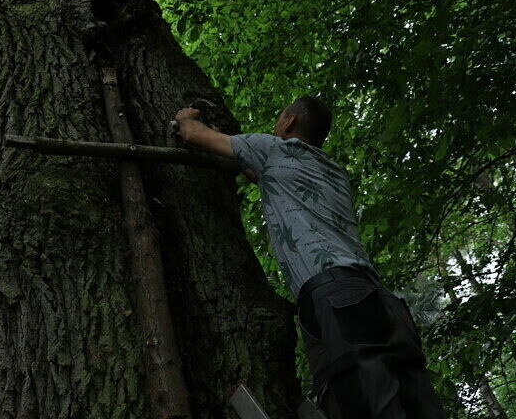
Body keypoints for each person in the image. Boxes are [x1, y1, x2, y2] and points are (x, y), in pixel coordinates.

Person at [175, 97, 447, 419]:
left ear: (289, 122)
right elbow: (260, 174)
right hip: (384, 305)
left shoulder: (273, 150)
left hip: (339, 302)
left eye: (279, 120)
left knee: (361, 405)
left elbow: (193, 135)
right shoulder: (333, 172)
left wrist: (187, 116)